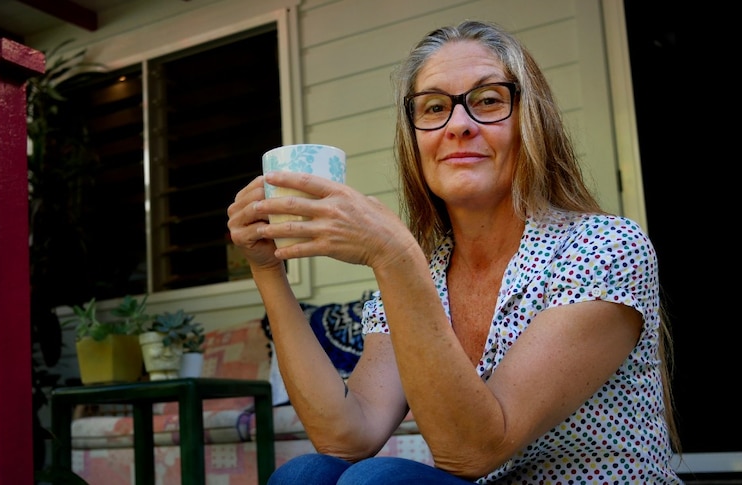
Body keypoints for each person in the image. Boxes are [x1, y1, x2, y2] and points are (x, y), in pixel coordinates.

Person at [226, 19, 681, 484]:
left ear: (531, 122)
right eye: (434, 107)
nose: (458, 125)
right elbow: (348, 435)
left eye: (487, 101)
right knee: (306, 473)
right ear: (415, 139)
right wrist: (267, 269)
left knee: (377, 482)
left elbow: (473, 453)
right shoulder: (418, 269)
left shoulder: (604, 248)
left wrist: (395, 258)